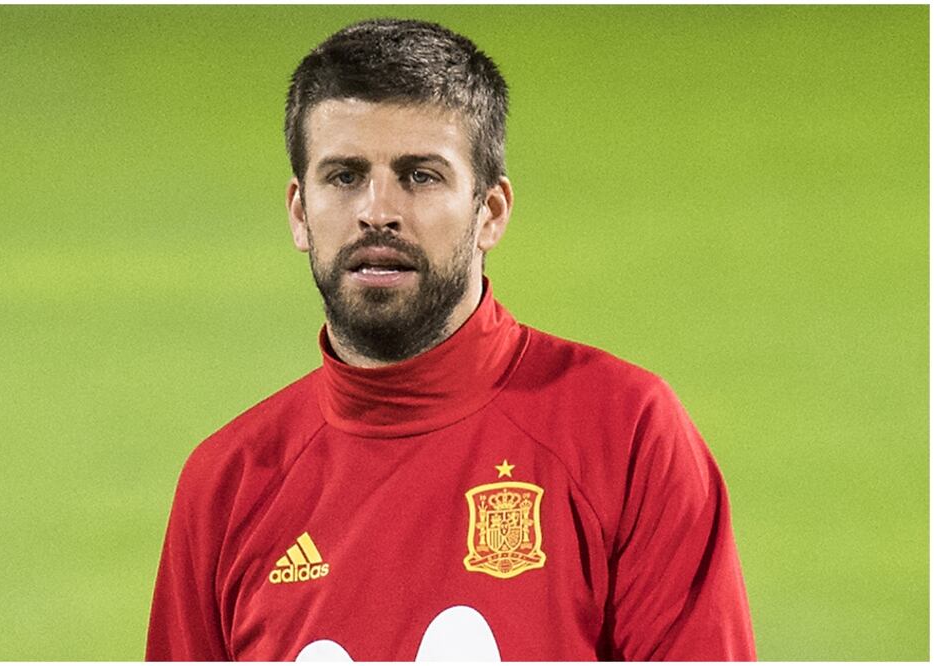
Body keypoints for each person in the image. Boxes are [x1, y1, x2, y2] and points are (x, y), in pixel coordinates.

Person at [146, 18, 756, 662]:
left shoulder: (624, 430)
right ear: (300, 212)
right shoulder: (227, 484)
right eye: (345, 176)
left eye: (420, 176)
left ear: (489, 211)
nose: (377, 211)